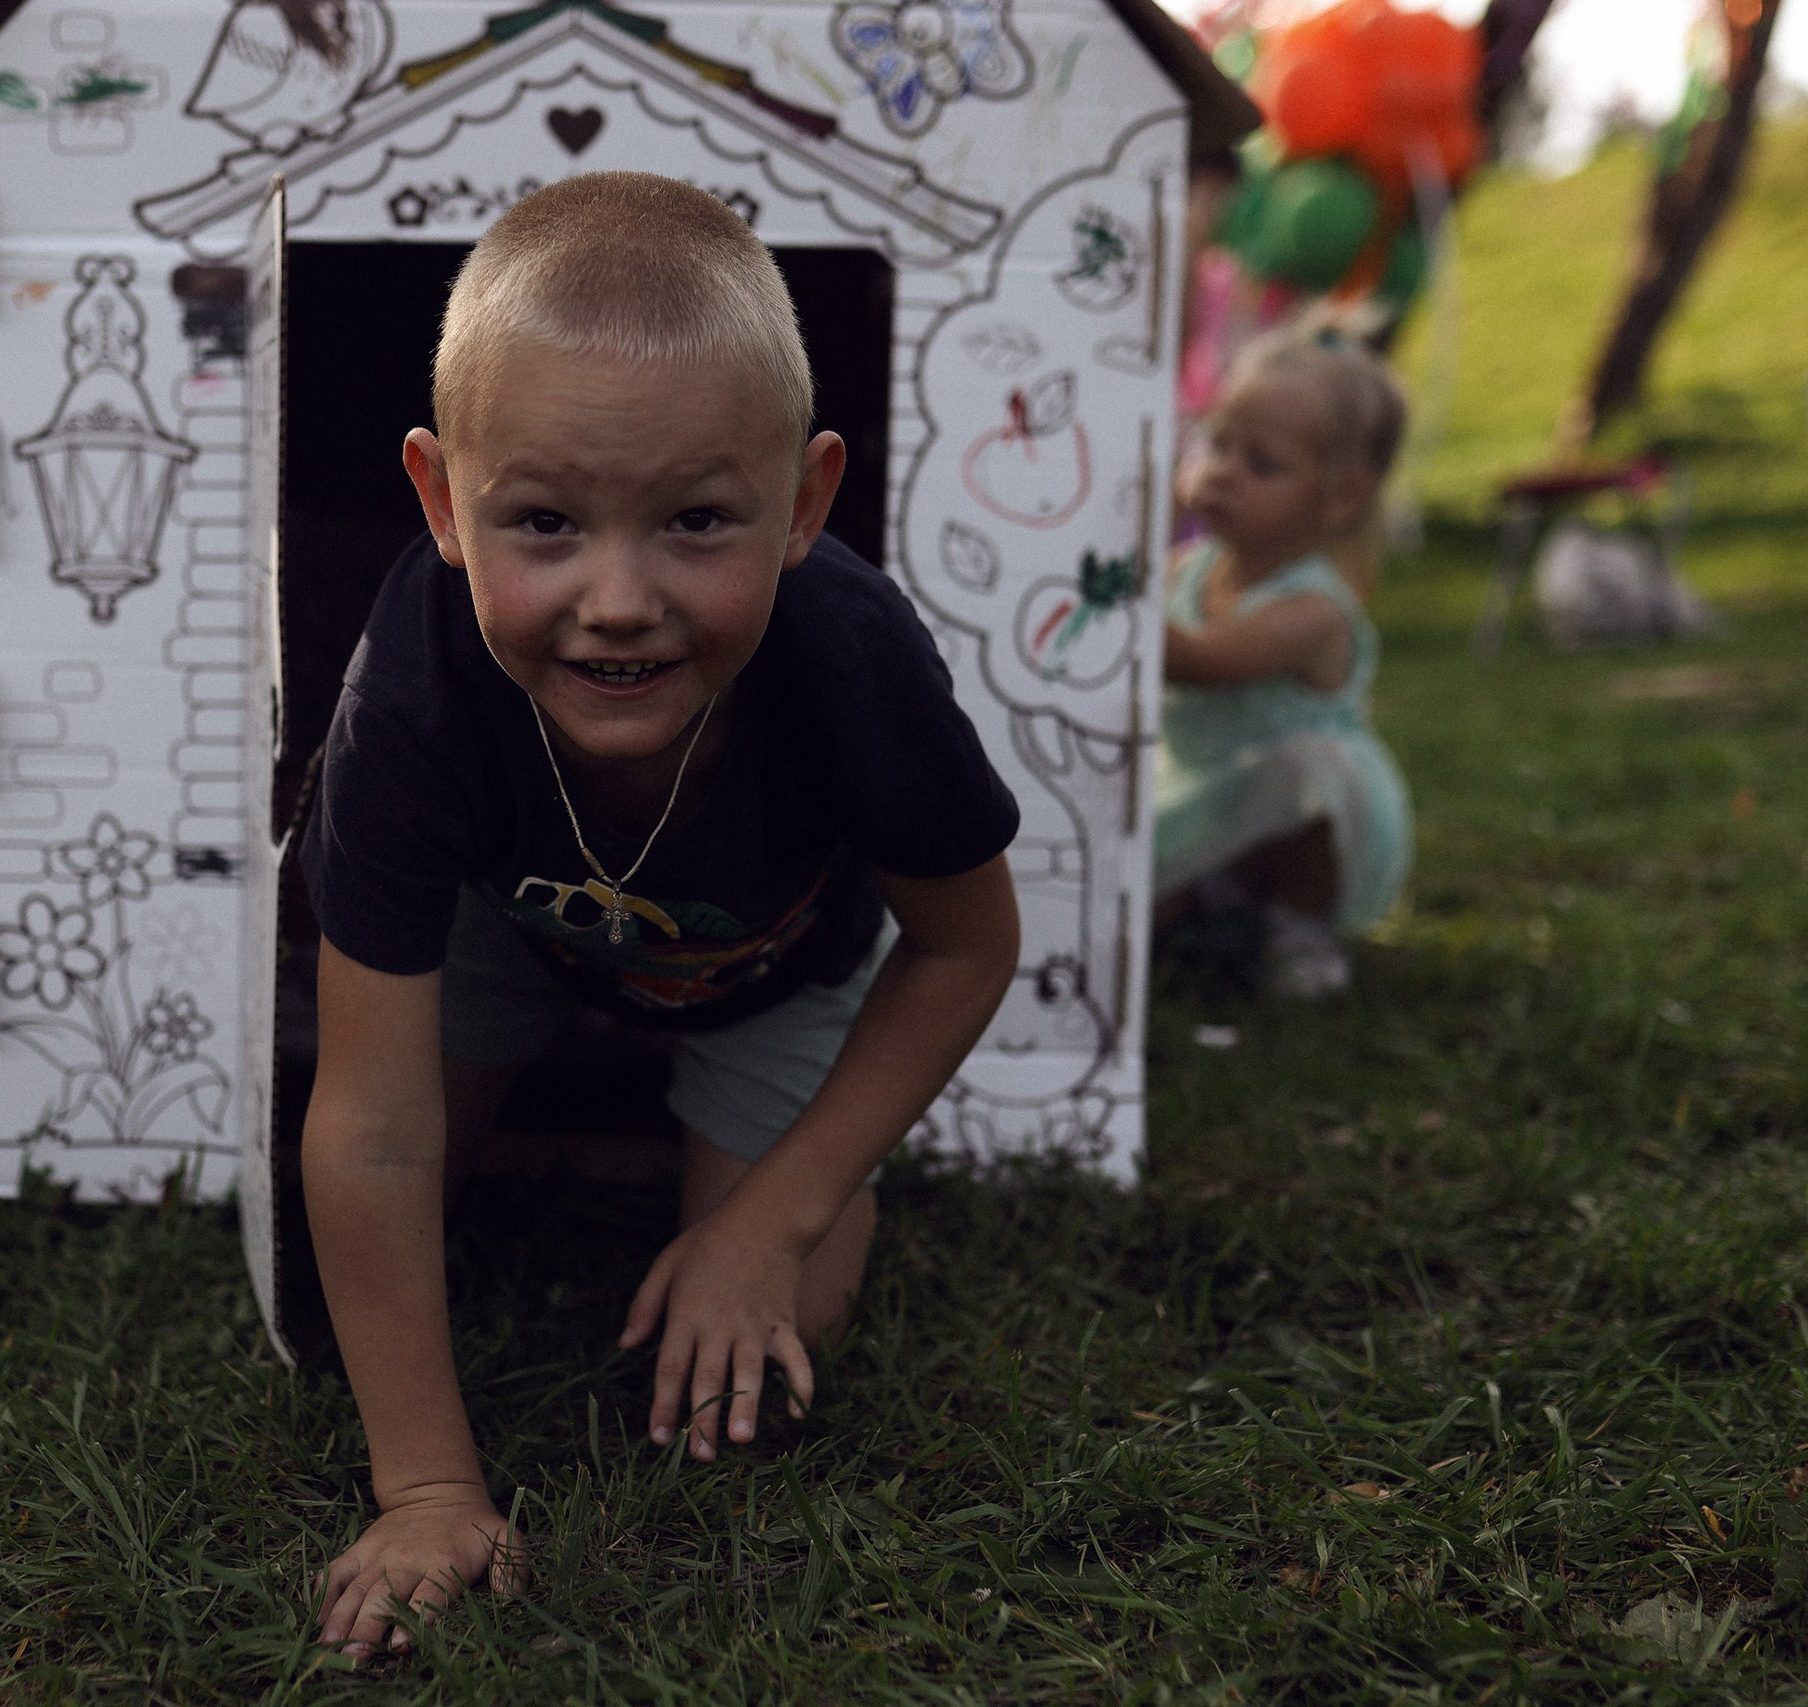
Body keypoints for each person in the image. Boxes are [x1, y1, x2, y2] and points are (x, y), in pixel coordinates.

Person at [295, 173, 1024, 1653]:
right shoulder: (411, 697)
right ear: (442, 499)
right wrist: (427, 1480)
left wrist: (781, 1210)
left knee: (774, 1339)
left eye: (697, 520)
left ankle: (770, 1182)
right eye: (546, 522)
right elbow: (365, 1122)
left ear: (807, 499)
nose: (617, 598)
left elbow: (965, 940)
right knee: (362, 1267)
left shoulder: (855, 660)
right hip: (509, 926)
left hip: (772, 964)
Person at [1155, 330, 1413, 997]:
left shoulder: (1311, 609)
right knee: (1130, 921)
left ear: (1342, 496)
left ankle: (1298, 924)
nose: (1222, 471)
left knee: (1314, 774)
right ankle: (1221, 912)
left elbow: (1204, 661)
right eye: (1217, 445)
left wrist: (1113, 585)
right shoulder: (1190, 571)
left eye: (1261, 463)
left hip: (1296, 811)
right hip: (1202, 791)